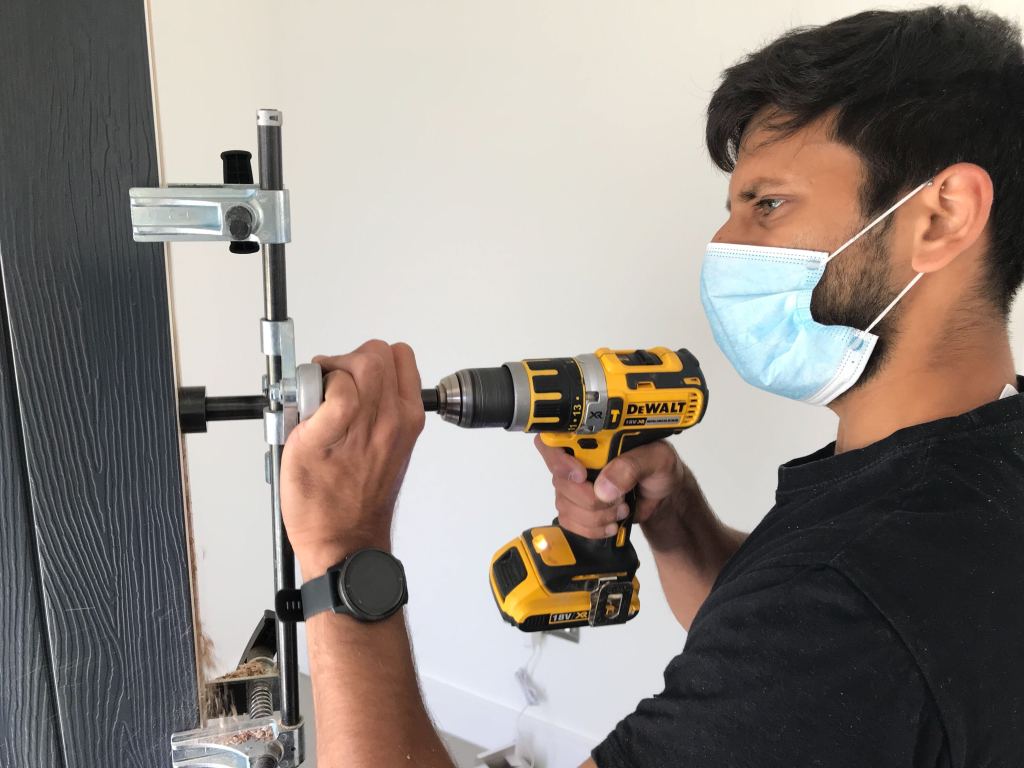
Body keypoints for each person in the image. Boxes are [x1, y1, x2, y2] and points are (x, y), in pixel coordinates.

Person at [280, 6, 1024, 766]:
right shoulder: (974, 466)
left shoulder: (844, 604)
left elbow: (815, 642)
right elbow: (809, 677)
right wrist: (680, 526)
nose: (723, 244)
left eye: (768, 204)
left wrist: (345, 549)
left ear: (941, 217)